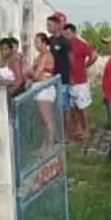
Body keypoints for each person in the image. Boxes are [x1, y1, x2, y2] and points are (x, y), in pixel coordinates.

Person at [63, 22, 98, 143]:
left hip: (80, 81)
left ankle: (87, 129)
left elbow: (94, 55)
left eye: (68, 34)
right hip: (69, 81)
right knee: (74, 108)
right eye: (65, 34)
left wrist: (86, 66)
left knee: (83, 107)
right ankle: (78, 129)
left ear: (74, 33)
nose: (66, 36)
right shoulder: (65, 46)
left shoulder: (80, 44)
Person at [26, 32, 57, 150]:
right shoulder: (39, 56)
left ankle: (50, 144)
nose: (35, 45)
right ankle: (45, 144)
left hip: (45, 90)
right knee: (43, 121)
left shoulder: (45, 56)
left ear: (44, 42)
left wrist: (29, 73)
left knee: (48, 119)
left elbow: (37, 75)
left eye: (37, 42)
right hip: (39, 88)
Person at [46, 11, 74, 140]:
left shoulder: (64, 42)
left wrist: (70, 75)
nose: (49, 28)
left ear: (58, 26)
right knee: (56, 107)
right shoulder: (50, 41)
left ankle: (67, 134)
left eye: (50, 25)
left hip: (63, 79)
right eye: (47, 25)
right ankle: (58, 133)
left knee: (65, 107)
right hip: (52, 79)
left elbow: (71, 59)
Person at [0, 37, 25, 101]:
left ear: (11, 49)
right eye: (1, 49)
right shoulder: (1, 61)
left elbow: (19, 80)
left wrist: (10, 91)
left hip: (13, 94)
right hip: (1, 92)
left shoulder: (14, 61)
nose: (3, 52)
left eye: (6, 49)